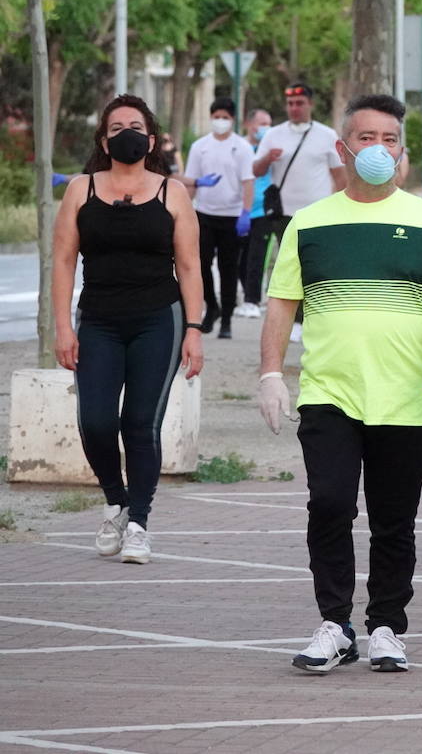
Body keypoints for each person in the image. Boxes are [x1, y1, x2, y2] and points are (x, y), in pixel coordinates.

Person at [256, 93, 422, 675]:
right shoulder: (310, 223)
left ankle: (385, 626)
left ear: (402, 151)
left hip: (404, 397)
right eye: (365, 138)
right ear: (342, 147)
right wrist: (271, 374)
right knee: (328, 503)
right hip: (329, 392)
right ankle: (335, 623)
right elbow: (282, 305)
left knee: (392, 517)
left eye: (389, 140)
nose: (377, 149)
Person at [51, 94, 205, 565]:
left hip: (158, 319)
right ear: (103, 139)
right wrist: (63, 326)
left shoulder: (171, 192)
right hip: (97, 320)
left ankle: (138, 522)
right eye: (116, 127)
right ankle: (116, 501)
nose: (126, 134)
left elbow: (190, 264)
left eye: (134, 126)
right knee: (95, 422)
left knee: (140, 424)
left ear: (152, 138)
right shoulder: (80, 189)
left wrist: (194, 329)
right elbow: (61, 260)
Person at [253, 83, 344, 341]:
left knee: (317, 265)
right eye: (290, 104)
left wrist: (342, 209)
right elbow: (257, 170)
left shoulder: (326, 135)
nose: (294, 108)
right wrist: (268, 158)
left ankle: (317, 317)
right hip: (284, 214)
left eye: (300, 103)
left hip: (319, 213)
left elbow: (340, 176)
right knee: (291, 266)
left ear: (310, 105)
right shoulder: (273, 135)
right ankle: (296, 319)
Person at [181, 98, 253, 340]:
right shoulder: (200, 146)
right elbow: (191, 180)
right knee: (200, 264)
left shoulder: (241, 147)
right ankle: (212, 305)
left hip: (232, 215)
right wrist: (186, 209)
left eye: (225, 117)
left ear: (232, 119)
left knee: (228, 268)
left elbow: (248, 182)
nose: (220, 121)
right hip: (204, 213)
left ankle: (228, 319)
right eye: (217, 116)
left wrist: (246, 212)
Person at [235, 108, 274, 320]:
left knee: (256, 257)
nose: (267, 128)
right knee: (240, 260)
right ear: (250, 125)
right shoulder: (239, 147)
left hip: (262, 210)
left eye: (269, 123)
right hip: (239, 211)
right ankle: (245, 296)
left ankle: (252, 300)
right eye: (262, 123)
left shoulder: (269, 149)